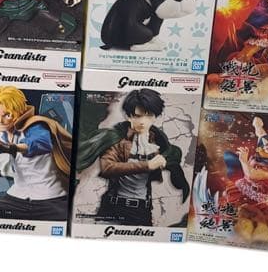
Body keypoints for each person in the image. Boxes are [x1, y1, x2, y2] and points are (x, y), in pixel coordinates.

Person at [75, 88, 190, 227]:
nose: (142, 122)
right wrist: (147, 165)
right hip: (114, 207)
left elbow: (172, 157)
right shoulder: (117, 139)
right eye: (137, 116)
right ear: (129, 116)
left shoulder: (159, 141)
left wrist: (169, 166)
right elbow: (107, 167)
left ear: (155, 116)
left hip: (142, 210)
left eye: (149, 116)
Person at [0, 85, 72, 220]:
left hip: (49, 197)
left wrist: (12, 148)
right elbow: (20, 168)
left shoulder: (35, 126)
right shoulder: (4, 134)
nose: (0, 121)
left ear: (18, 111)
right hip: (18, 195)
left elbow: (41, 144)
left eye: (7, 115)